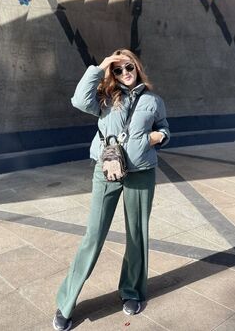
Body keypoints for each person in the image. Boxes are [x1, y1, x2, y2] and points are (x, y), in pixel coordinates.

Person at [53, 49, 170, 331]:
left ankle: (132, 291)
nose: (124, 73)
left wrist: (157, 137)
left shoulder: (154, 100)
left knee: (137, 234)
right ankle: (66, 302)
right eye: (118, 70)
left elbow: (165, 128)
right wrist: (102, 65)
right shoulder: (105, 97)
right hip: (107, 170)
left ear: (137, 67)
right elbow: (79, 100)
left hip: (141, 172)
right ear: (113, 73)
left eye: (128, 67)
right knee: (93, 235)